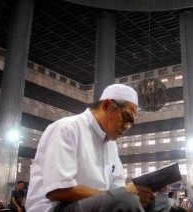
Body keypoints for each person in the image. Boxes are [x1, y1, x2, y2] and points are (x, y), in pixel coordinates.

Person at [26, 84, 155, 212]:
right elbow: (58, 190)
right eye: (125, 117)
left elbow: (117, 189)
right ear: (106, 106)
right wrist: (120, 195)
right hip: (55, 207)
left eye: (131, 123)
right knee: (126, 201)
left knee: (153, 201)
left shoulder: (111, 145)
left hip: (96, 205)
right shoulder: (67, 128)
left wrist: (130, 194)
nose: (126, 127)